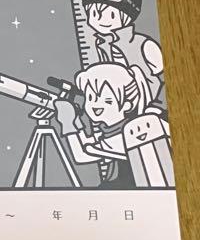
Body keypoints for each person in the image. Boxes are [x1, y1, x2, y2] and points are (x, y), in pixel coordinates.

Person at [53, 60, 166, 188]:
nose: (95, 105)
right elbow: (87, 143)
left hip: (129, 190)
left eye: (107, 100)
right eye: (90, 98)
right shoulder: (109, 130)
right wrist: (74, 119)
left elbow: (82, 155)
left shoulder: (130, 132)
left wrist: (68, 122)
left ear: (127, 105)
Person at [81, 0, 163, 104]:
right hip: (113, 102)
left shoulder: (143, 45)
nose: (101, 20)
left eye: (111, 15)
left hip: (143, 101)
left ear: (128, 16)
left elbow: (158, 69)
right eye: (94, 14)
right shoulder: (102, 44)